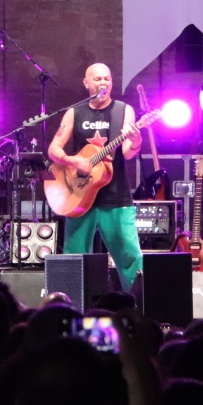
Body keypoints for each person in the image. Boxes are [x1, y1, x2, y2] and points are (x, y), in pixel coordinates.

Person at [46, 63, 145, 291]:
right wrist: (74, 161)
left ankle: (140, 306)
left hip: (116, 197)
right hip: (79, 197)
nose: (103, 83)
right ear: (86, 83)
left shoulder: (123, 110)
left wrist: (136, 140)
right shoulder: (75, 112)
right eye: (98, 79)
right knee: (74, 259)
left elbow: (128, 152)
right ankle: (71, 306)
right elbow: (54, 149)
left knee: (130, 258)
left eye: (107, 79)